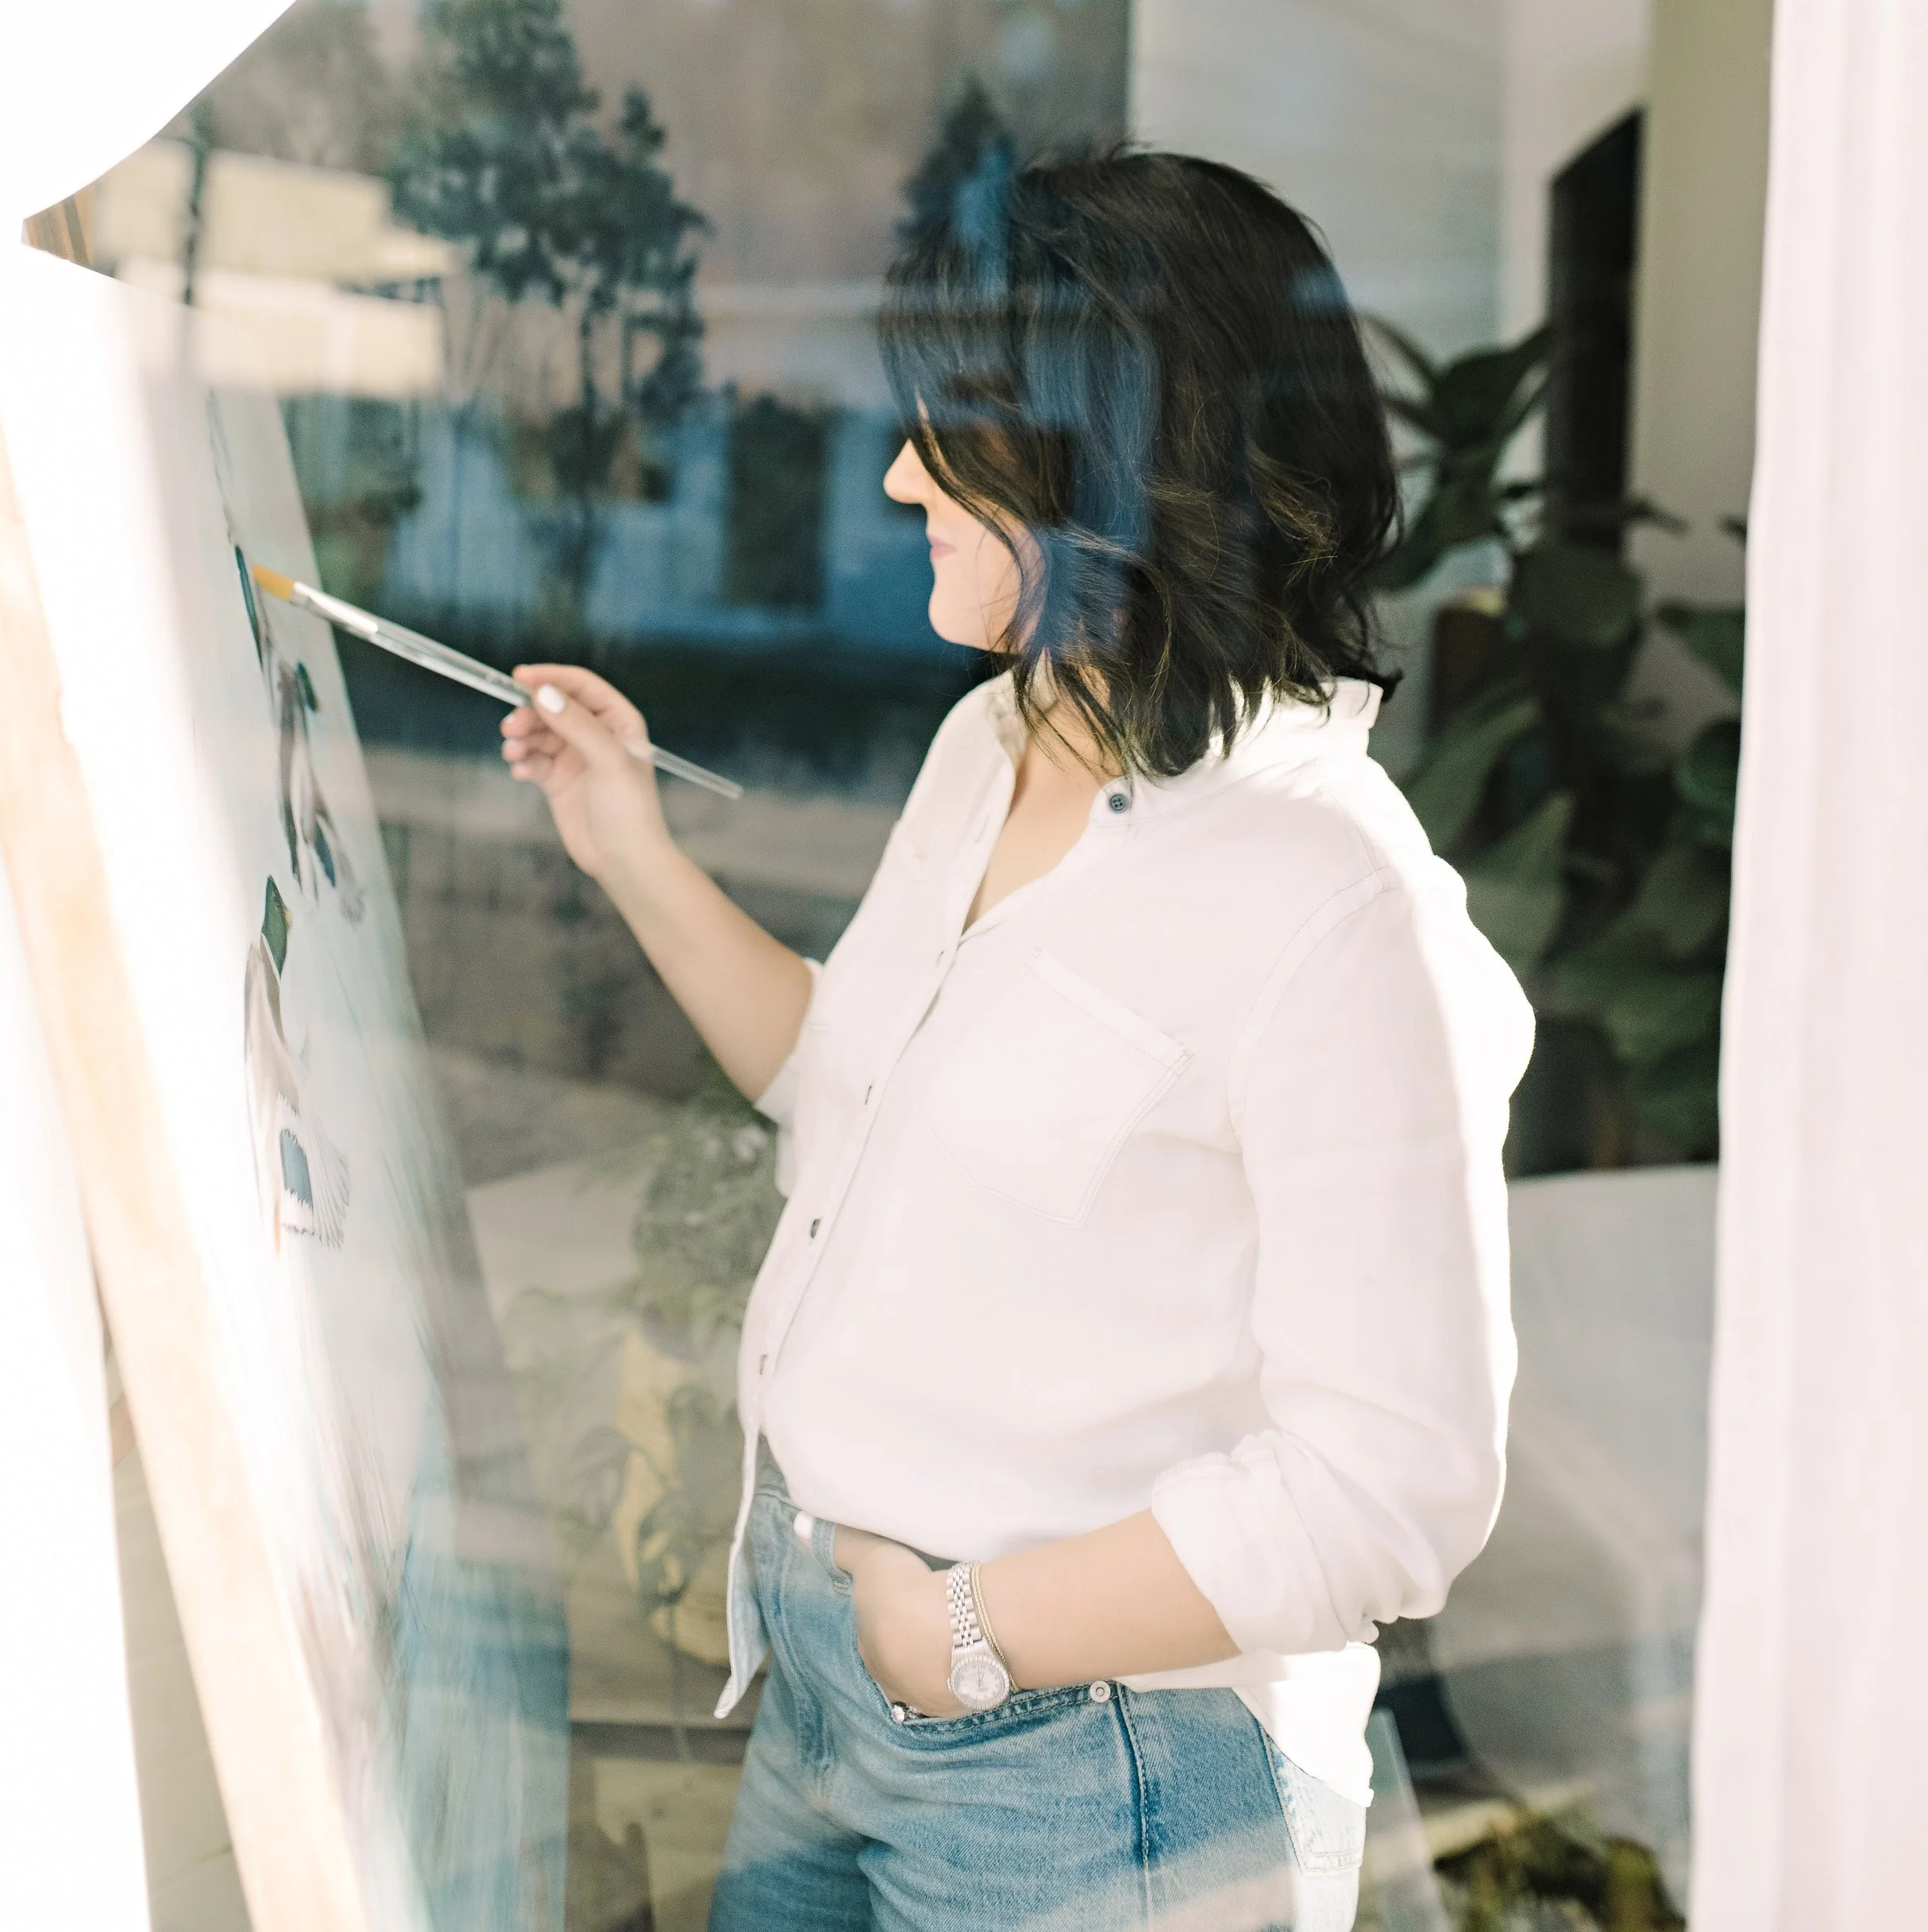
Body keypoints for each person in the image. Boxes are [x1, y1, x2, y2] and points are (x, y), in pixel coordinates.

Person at [501, 148, 1534, 1931]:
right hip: (838, 1681)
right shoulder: (988, 743)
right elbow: (852, 1092)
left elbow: (1391, 1486)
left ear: (1109, 463)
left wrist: (960, 1637)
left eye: (949, 436)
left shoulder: (1334, 901)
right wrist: (629, 849)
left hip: (1096, 1769)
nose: (899, 473)